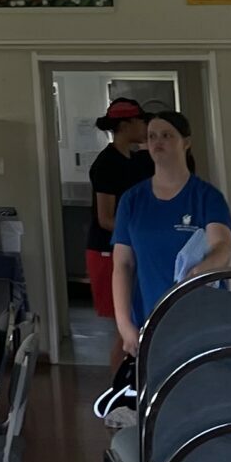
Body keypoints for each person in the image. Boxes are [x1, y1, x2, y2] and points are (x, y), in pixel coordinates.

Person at [112, 110, 231, 357]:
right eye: (152, 136)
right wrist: (124, 325)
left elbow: (222, 245)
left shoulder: (207, 197)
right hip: (151, 316)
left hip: (203, 316)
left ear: (185, 142)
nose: (158, 141)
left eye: (166, 135)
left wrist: (202, 269)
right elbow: (123, 265)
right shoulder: (132, 200)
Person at [86, 98, 154, 372]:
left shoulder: (136, 161)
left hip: (131, 250)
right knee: (124, 329)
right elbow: (106, 219)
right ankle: (117, 387)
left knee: (136, 323)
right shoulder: (106, 164)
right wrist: (143, 234)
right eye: (141, 121)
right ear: (125, 125)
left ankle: (131, 382)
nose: (145, 126)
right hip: (107, 252)